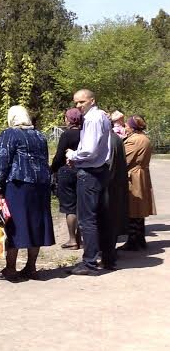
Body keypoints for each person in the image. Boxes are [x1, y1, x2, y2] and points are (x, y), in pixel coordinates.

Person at [0, 105, 55, 282]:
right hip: (40, 186)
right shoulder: (40, 136)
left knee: (14, 225)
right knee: (35, 224)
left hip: (18, 185)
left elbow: (2, 161)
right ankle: (31, 267)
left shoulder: (9, 134)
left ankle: (11, 269)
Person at [65, 89, 112, 276]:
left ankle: (90, 263)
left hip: (91, 171)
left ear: (92, 100)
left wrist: (73, 155)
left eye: (81, 102)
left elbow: (89, 150)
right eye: (76, 102)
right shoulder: (101, 116)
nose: (78, 106)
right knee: (100, 216)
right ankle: (106, 256)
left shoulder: (93, 119)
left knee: (87, 219)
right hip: (100, 170)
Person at [119, 115, 157, 251]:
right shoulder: (145, 138)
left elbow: (124, 159)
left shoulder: (134, 140)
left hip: (134, 176)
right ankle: (140, 239)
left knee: (133, 208)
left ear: (133, 127)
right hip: (141, 174)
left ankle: (133, 240)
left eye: (127, 125)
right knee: (139, 209)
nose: (125, 127)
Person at [50, 108, 83, 250]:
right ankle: (80, 237)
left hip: (67, 172)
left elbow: (59, 156)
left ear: (68, 119)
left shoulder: (66, 134)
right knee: (82, 205)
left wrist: (52, 169)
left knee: (70, 207)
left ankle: (72, 240)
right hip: (83, 171)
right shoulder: (86, 133)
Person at [103, 128, 129, 268]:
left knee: (107, 220)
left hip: (109, 186)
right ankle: (110, 251)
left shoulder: (109, 139)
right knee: (112, 221)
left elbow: (111, 165)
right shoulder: (116, 138)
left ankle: (107, 254)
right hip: (116, 186)